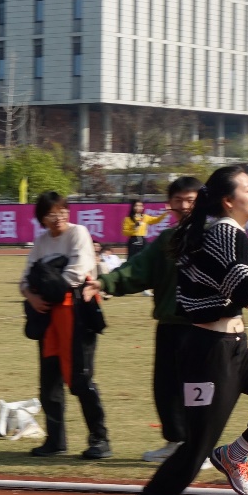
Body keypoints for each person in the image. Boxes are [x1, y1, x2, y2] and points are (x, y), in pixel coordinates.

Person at [114, 167, 248, 495]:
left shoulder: (223, 232)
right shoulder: (225, 234)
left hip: (234, 349)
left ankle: (234, 455)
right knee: (196, 448)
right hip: (209, 355)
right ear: (228, 200)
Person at [90, 177, 205, 466]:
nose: (184, 206)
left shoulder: (216, 236)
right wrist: (103, 283)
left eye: (191, 200)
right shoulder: (167, 240)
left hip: (203, 327)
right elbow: (138, 269)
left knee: (197, 389)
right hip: (168, 325)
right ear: (169, 204)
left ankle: (198, 447)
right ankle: (176, 442)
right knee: (165, 388)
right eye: (178, 200)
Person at [20, 191, 110, 460]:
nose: (58, 218)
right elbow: (25, 279)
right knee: (49, 381)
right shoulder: (41, 241)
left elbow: (77, 273)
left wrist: (45, 283)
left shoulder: (78, 233)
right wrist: (32, 296)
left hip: (76, 314)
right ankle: (55, 440)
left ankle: (100, 439)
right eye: (51, 214)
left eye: (62, 212)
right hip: (48, 317)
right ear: (41, 219)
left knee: (80, 378)